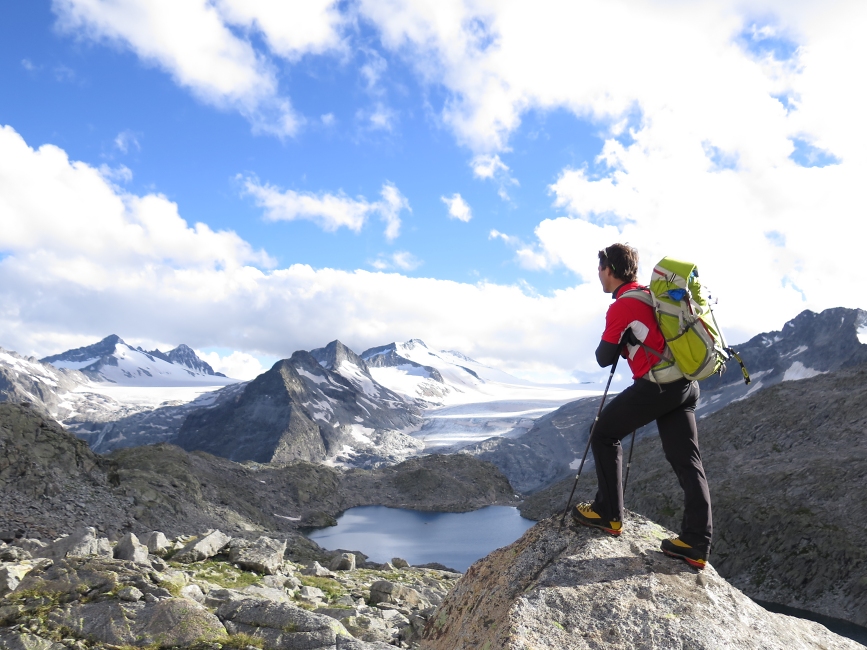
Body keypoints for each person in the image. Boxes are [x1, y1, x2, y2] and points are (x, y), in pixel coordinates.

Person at [571, 243, 712, 569]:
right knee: (688, 463)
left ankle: (608, 514)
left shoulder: (622, 305)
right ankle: (696, 543)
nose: (598, 274)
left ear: (610, 270)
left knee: (603, 433)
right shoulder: (652, 295)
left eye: (600, 268)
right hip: (686, 385)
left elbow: (603, 358)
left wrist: (621, 341)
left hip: (658, 386)